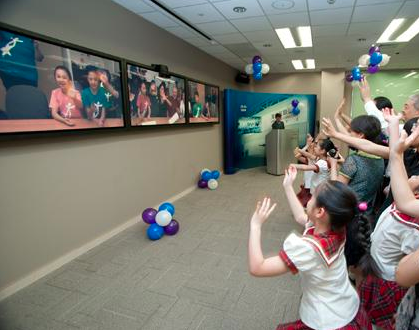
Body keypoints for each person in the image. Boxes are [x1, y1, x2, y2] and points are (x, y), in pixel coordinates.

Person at [248, 166, 372, 329]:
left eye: (312, 196)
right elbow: (301, 216)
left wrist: (255, 226)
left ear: (320, 212)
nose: (309, 198)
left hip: (327, 319)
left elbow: (258, 267)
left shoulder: (309, 249)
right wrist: (287, 186)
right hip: (345, 304)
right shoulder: (338, 227)